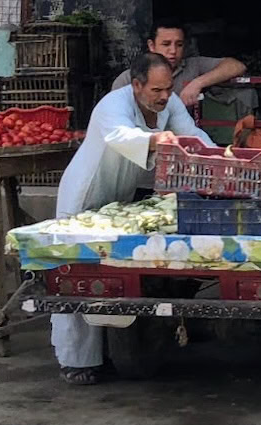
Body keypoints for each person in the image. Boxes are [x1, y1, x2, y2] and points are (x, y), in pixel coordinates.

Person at [52, 52, 213, 385]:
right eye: (156, 90)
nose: (164, 96)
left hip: (117, 200)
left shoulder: (168, 105)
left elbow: (192, 135)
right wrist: (156, 139)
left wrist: (217, 158)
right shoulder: (113, 105)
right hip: (84, 195)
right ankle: (75, 361)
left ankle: (109, 351)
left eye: (168, 88)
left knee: (111, 271)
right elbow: (122, 138)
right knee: (77, 273)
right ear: (137, 85)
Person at [111, 22, 245, 109]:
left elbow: (236, 66)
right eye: (166, 44)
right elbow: (115, 118)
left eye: (179, 45)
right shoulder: (127, 79)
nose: (173, 51)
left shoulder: (194, 65)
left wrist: (197, 83)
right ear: (152, 46)